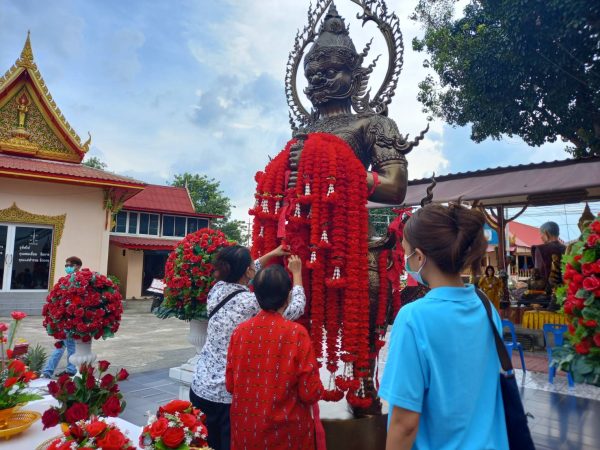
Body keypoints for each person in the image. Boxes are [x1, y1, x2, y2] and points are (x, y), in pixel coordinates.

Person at [379, 203, 509, 450]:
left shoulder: (413, 318)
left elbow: (404, 422)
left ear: (419, 256)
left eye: (405, 252)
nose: (405, 260)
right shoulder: (484, 305)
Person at [190, 245, 306, 450]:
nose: (256, 264)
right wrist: (297, 274)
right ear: (247, 271)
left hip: (200, 387)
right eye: (252, 263)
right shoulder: (252, 303)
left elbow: (247, 270)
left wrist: (271, 254)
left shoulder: (216, 289)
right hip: (225, 397)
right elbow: (296, 308)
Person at [226, 264, 323, 450]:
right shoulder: (296, 334)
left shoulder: (239, 333)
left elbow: (230, 385)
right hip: (287, 435)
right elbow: (310, 392)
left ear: (256, 295)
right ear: (287, 296)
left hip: (246, 433)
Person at [42, 256, 82, 378]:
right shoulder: (66, 280)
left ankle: (53, 371)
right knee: (63, 345)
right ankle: (51, 371)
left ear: (77, 266)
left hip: (71, 319)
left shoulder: (80, 280)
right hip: (63, 318)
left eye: (70, 265)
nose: (67, 268)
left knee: (66, 345)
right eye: (66, 266)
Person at [531, 221, 566, 293]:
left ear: (546, 233)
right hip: (565, 290)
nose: (541, 237)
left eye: (541, 234)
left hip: (546, 292)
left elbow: (538, 276)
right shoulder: (567, 248)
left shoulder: (540, 249)